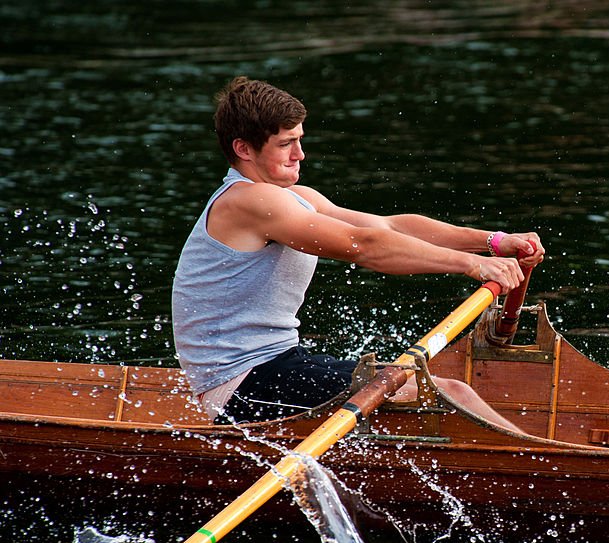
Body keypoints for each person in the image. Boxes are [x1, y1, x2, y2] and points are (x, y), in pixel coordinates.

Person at [172, 76, 544, 430]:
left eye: (300, 139)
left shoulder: (295, 198)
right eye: (286, 143)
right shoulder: (248, 201)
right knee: (451, 393)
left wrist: (493, 242)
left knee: (439, 393)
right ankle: (546, 469)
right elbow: (364, 247)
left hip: (277, 365)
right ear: (243, 149)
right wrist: (473, 265)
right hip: (242, 387)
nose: (300, 154)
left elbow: (389, 227)